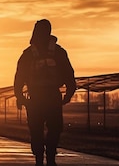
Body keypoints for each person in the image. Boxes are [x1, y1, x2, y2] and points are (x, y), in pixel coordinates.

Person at [13, 19, 76, 166]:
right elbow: (69, 74)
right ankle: (50, 156)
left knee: (36, 130)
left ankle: (39, 158)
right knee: (55, 128)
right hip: (53, 97)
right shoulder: (59, 52)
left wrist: (20, 97)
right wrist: (68, 94)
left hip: (34, 99)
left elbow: (19, 78)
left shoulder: (27, 54)